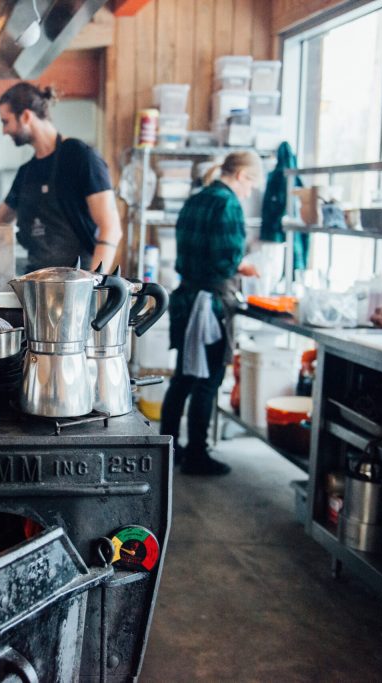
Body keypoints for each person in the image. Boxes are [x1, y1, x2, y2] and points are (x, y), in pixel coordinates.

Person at [159, 151, 262, 476]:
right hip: (210, 304)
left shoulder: (196, 199)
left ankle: (169, 450)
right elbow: (225, 260)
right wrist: (244, 264)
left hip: (186, 298)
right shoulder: (228, 203)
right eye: (251, 185)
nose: (249, 192)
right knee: (208, 378)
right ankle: (197, 455)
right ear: (242, 175)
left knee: (184, 379)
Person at [0, 82, 122, 272]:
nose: (4, 130)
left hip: (78, 281)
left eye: (5, 121)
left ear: (25, 116)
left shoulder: (81, 157)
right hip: (37, 283)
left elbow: (111, 227)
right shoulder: (26, 172)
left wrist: (95, 281)